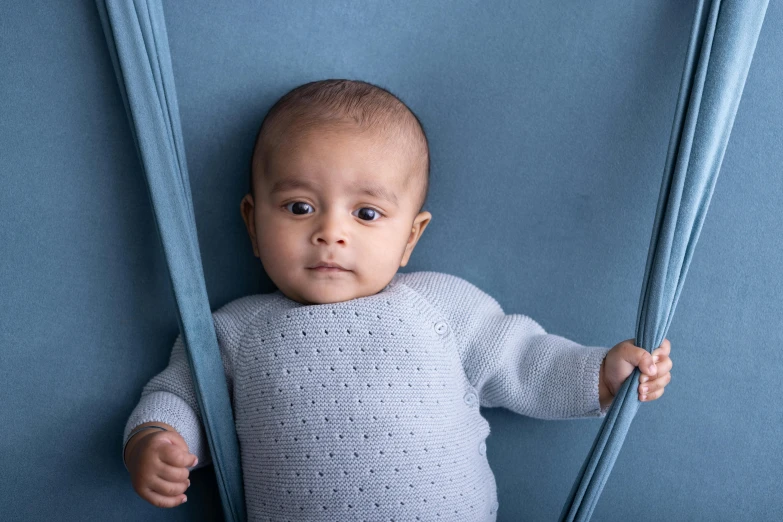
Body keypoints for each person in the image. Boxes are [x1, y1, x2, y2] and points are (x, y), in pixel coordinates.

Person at [121, 79, 673, 521]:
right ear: (252, 223)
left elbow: (526, 361)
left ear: (410, 236)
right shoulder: (235, 331)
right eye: (297, 207)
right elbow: (180, 396)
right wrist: (155, 439)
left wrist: (601, 372)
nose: (330, 232)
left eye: (366, 214)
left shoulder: (440, 306)